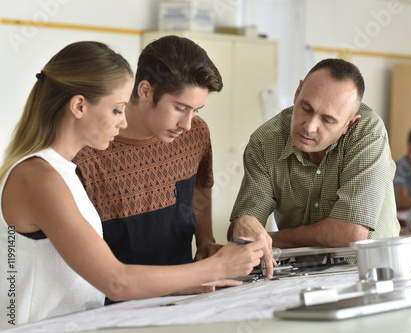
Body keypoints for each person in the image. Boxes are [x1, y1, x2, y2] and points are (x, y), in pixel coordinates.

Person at [0, 41, 263, 329]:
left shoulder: (57, 170)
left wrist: (183, 280)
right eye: (116, 110)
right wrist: (217, 267)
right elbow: (116, 281)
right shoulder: (40, 177)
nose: (123, 120)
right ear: (79, 106)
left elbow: (85, 280)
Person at [228, 58, 400, 278]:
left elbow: (351, 233)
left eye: (327, 120)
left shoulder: (368, 133)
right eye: (306, 108)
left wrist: (270, 239)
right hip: (299, 275)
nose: (309, 126)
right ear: (298, 91)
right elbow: (242, 234)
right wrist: (245, 223)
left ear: (349, 124)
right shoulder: (264, 143)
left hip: (370, 272)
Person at [73, 36, 223, 274]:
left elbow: (199, 185)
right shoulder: (88, 150)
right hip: (114, 300)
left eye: (196, 110)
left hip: (185, 291)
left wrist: (206, 240)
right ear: (145, 90)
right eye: (180, 108)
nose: (187, 123)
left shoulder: (196, 133)